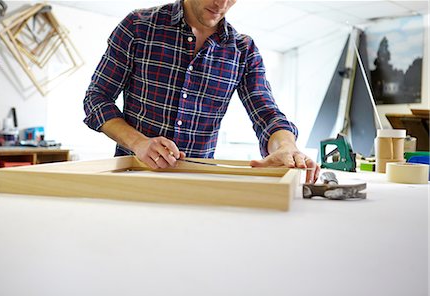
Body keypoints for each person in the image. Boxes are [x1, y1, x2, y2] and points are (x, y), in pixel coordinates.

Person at [83, 0, 320, 183]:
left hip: (199, 183)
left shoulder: (242, 50)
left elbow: (266, 113)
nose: (221, 4)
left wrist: (287, 146)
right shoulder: (138, 26)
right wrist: (139, 143)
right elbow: (97, 98)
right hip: (132, 175)